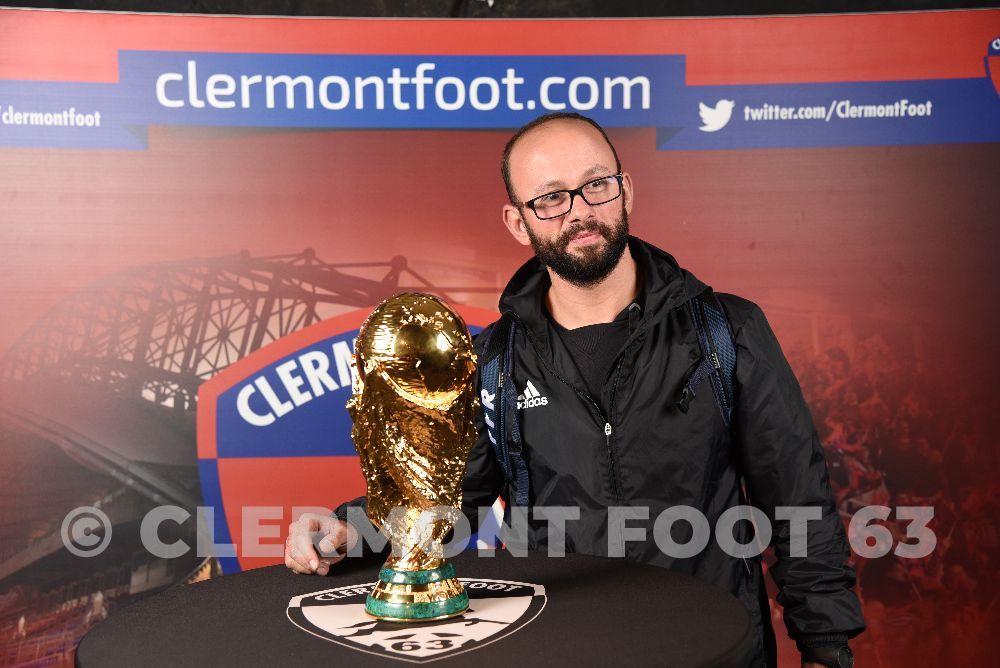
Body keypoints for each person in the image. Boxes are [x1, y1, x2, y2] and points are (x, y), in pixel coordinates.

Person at [285, 113, 865, 667]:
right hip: (552, 650)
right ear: (519, 221)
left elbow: (799, 503)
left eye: (596, 186)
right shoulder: (494, 361)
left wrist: (827, 649)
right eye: (551, 197)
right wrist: (350, 528)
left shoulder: (726, 331)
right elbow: (451, 498)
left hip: (713, 647)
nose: (580, 212)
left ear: (626, 190)